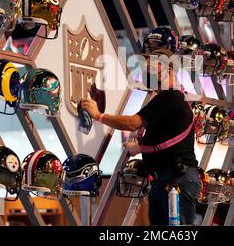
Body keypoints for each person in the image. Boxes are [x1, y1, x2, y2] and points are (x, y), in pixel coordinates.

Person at [81, 48, 201, 225]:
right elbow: (170, 134)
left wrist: (98, 115)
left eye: (153, 70)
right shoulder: (175, 99)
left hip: (175, 178)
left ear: (168, 71)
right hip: (170, 177)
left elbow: (132, 123)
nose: (148, 75)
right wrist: (138, 148)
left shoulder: (169, 97)